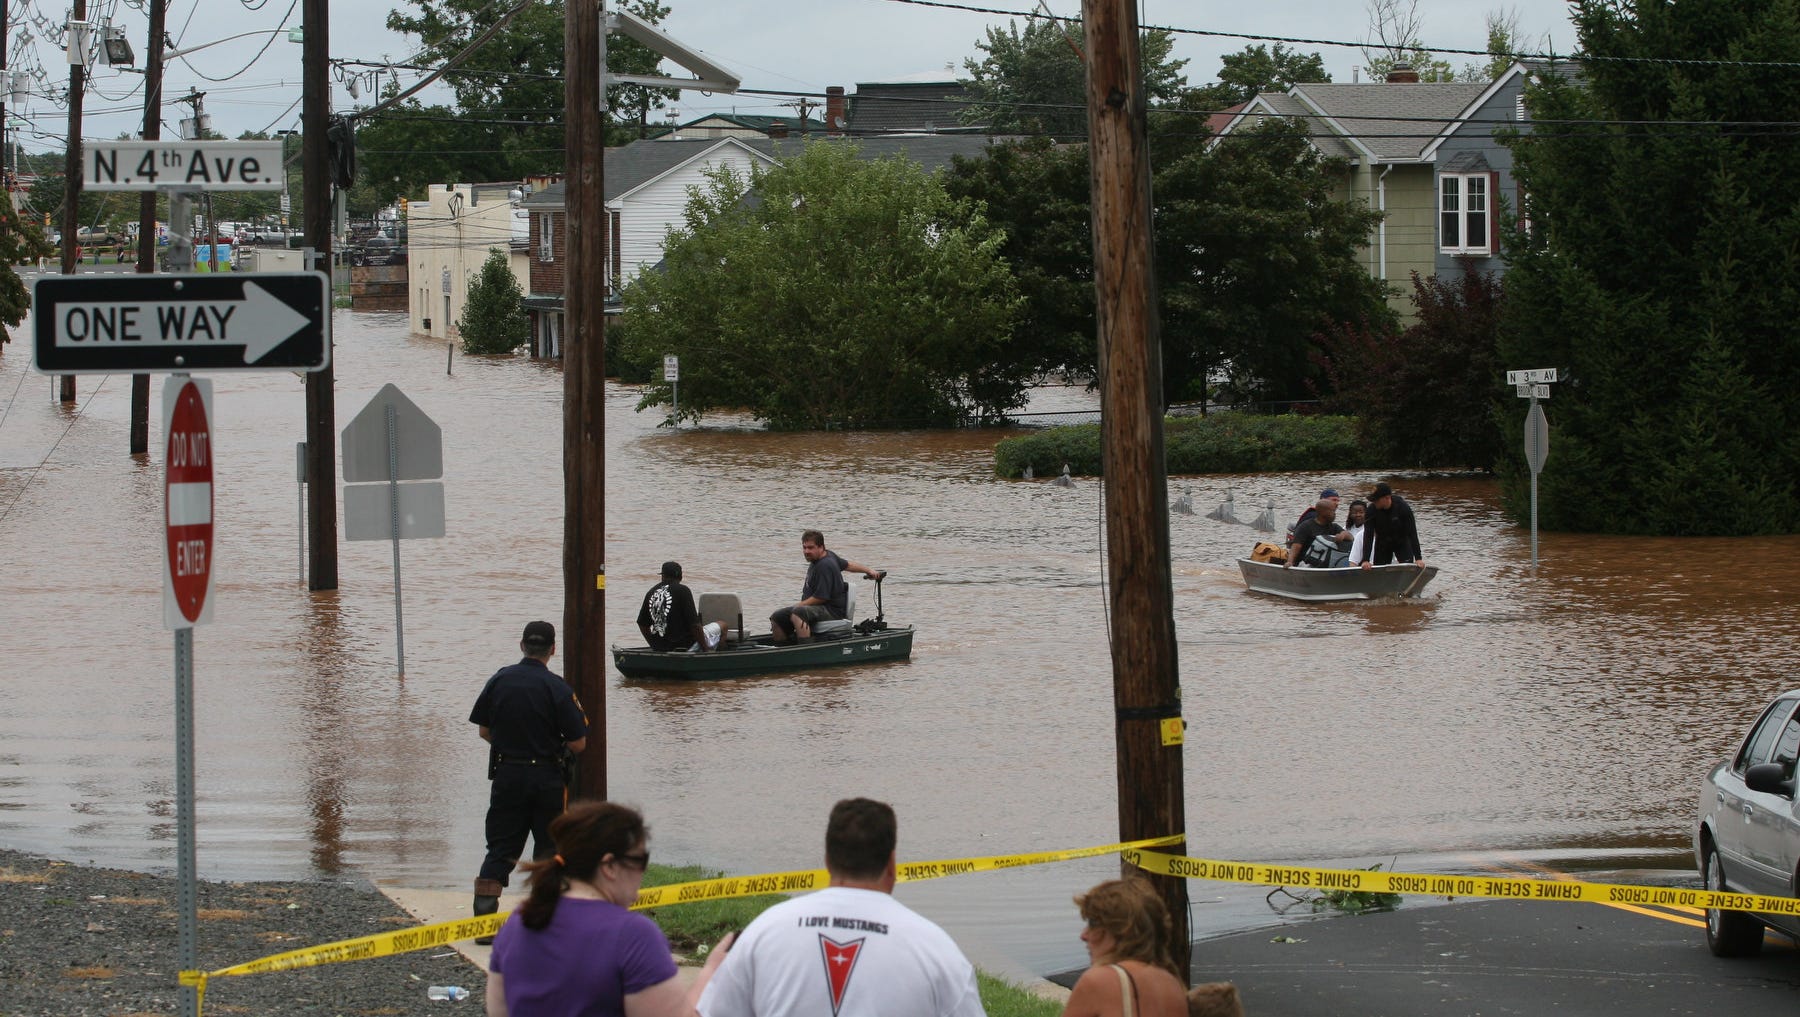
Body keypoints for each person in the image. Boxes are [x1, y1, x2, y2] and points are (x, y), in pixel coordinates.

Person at [697, 797, 985, 1017]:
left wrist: (710, 972)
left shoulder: (762, 933)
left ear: (827, 860)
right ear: (892, 864)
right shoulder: (938, 952)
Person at [486, 801, 733, 1017]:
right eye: (640, 861)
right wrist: (711, 972)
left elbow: (499, 1011)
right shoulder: (633, 936)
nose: (643, 872)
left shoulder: (519, 923)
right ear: (609, 866)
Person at [469, 620, 590, 942]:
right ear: (552, 649)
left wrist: (511, 745)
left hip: (507, 775)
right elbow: (579, 743)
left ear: (522, 645)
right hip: (547, 779)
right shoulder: (558, 688)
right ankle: (543, 922)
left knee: (500, 847)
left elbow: (484, 730)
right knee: (549, 849)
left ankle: (483, 925)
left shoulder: (500, 680)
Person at [1057, 879, 1189, 1017]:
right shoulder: (1173, 986)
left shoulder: (1099, 981)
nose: (1083, 935)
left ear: (1120, 929)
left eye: (1093, 923)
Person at [768, 529, 854, 643]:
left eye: (810, 548)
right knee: (777, 616)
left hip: (832, 611)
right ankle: (781, 648)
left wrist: (799, 605)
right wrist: (870, 571)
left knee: (799, 612)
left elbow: (821, 597)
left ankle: (805, 650)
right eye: (804, 547)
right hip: (817, 609)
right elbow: (848, 565)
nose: (806, 551)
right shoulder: (828, 555)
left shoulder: (825, 565)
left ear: (821, 547)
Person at [638, 561, 722, 653]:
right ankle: (717, 659)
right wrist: (705, 650)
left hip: (660, 647)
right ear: (681, 577)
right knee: (723, 625)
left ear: (663, 576)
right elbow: (695, 625)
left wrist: (654, 645)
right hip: (685, 646)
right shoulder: (683, 590)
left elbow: (642, 624)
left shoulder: (651, 592)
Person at [1361, 482, 1424, 567]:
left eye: (1376, 499)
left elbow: (1412, 532)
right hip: (1382, 542)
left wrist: (1418, 558)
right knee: (1380, 571)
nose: (1374, 502)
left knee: (1407, 567)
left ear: (1387, 498)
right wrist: (1365, 560)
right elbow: (1368, 535)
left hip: (1401, 541)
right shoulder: (1371, 511)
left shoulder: (1402, 507)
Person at [1285, 498, 1352, 568]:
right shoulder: (1306, 526)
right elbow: (1296, 546)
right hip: (1306, 563)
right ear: (1323, 512)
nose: (1335, 514)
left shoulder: (1333, 526)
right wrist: (1290, 562)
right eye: (1333, 511)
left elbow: (1351, 537)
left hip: (1324, 563)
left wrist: (1343, 535)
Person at [1344, 499, 1370, 565]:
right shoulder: (1346, 528)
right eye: (1355, 513)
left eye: (1361, 512)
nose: (1358, 515)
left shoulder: (1369, 529)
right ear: (1350, 514)